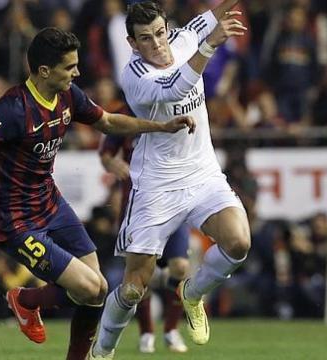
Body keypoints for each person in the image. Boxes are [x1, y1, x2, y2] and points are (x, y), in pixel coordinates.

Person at [0, 27, 195, 360]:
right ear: (44, 71)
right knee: (94, 288)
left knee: (94, 291)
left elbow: (109, 122)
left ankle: (32, 307)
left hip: (50, 203)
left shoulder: (69, 95)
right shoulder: (11, 109)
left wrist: (162, 127)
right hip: (13, 220)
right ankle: (25, 301)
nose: (77, 73)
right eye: (70, 67)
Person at [89, 1, 250, 358]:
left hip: (202, 172)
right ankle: (102, 350)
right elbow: (174, 88)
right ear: (132, 43)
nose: (157, 44)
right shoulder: (134, 77)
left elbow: (214, 15)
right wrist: (210, 46)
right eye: (145, 39)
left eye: (160, 33)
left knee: (238, 243)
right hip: (156, 186)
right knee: (134, 287)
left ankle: (192, 293)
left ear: (168, 28)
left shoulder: (183, 38)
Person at [99, 133, 189, 353]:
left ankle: (171, 330)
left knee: (181, 267)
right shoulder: (126, 114)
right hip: (138, 207)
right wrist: (111, 162)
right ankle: (147, 333)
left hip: (174, 201)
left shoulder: (172, 109)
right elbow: (106, 151)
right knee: (139, 275)